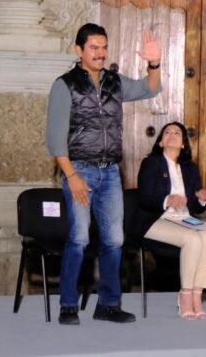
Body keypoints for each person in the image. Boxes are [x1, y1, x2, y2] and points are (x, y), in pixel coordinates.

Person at [46, 22, 162, 325]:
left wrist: (154, 63)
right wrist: (72, 177)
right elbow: (56, 139)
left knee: (114, 240)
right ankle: (68, 305)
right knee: (80, 238)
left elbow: (150, 88)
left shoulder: (114, 82)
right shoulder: (65, 85)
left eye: (104, 47)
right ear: (79, 50)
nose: (101, 53)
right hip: (80, 171)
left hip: (110, 173)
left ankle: (108, 304)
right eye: (94, 48)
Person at [137, 122, 206, 320]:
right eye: (167, 132)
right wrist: (167, 200)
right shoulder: (151, 163)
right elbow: (144, 198)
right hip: (156, 219)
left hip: (183, 218)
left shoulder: (190, 168)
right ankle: (185, 295)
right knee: (193, 239)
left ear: (183, 144)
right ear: (160, 142)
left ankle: (197, 295)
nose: (172, 135)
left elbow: (197, 208)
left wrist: (201, 198)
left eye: (177, 133)